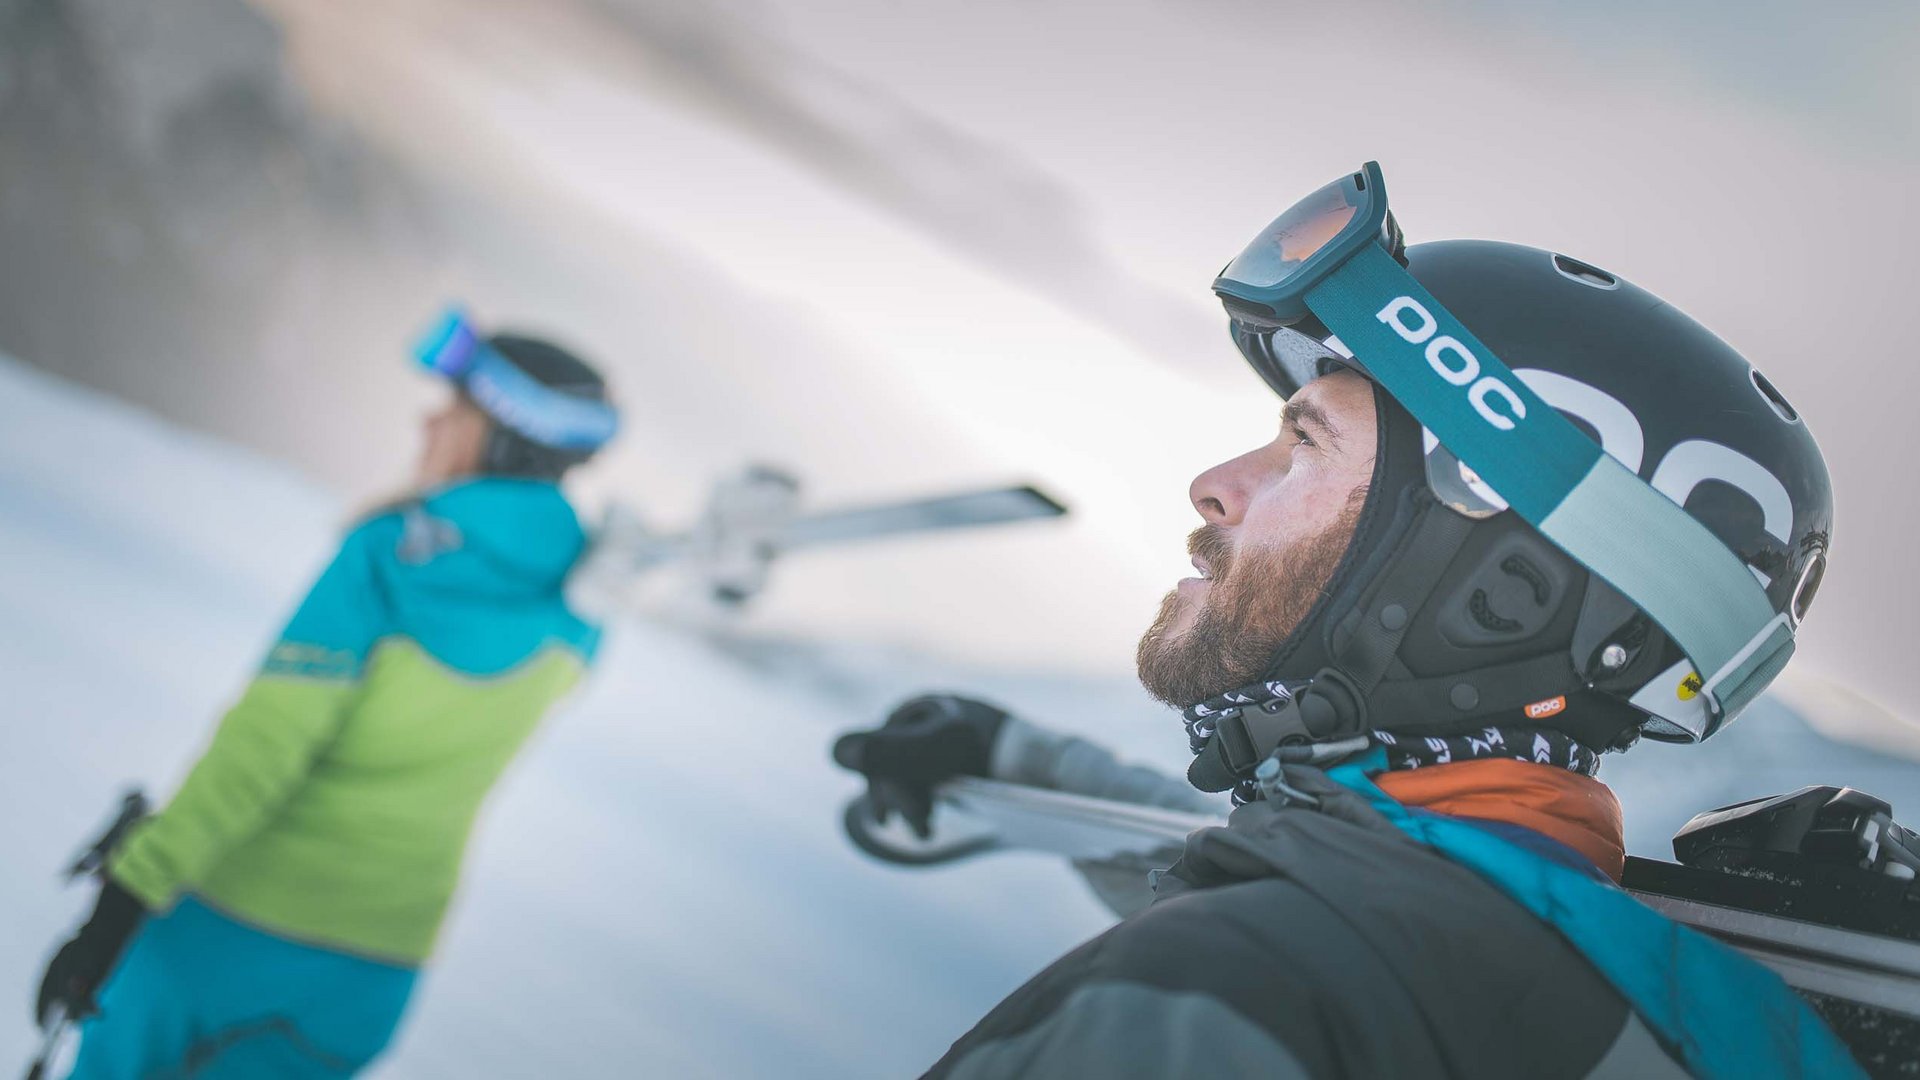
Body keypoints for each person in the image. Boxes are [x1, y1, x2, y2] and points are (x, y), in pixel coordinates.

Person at [834, 163, 1862, 1077]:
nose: (1214, 486)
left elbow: (1309, 934)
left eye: (1304, 448)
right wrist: (1019, 758)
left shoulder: (1223, 996)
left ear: (1500, 597)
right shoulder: (1665, 994)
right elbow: (1357, 886)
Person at [33, 308, 618, 1078]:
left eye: (457, 408)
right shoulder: (586, 608)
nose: (430, 419)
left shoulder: (385, 555)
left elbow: (265, 744)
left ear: (503, 434)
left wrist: (127, 895)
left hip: (224, 928)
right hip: (373, 972)